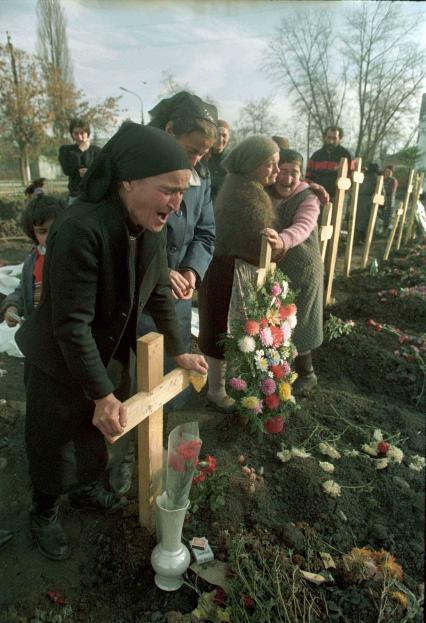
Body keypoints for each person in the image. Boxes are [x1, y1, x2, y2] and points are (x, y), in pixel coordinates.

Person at [15, 122, 207, 561]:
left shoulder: (149, 226)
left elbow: (158, 291)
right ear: (128, 181)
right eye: (169, 191)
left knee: (92, 440)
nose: (177, 205)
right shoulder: (79, 229)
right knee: (53, 443)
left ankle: (84, 492)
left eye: (182, 191)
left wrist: (180, 349)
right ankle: (43, 512)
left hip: (106, 352)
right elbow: (71, 324)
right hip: (60, 361)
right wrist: (100, 392)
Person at [198, 135, 280, 413]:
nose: (276, 172)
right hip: (227, 272)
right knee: (222, 328)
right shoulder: (246, 196)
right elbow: (256, 246)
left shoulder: (247, 187)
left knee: (226, 329)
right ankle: (216, 390)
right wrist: (276, 249)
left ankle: (225, 385)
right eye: (271, 164)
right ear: (253, 164)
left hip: (231, 269)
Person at [262, 149, 323, 395]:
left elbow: (303, 225)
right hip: (276, 270)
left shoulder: (309, 197)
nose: (287, 179)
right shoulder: (265, 192)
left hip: (304, 267)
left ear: (302, 175)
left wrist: (282, 240)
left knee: (302, 323)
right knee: (276, 323)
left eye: (294, 173)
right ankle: (278, 375)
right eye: (283, 172)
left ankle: (307, 376)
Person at [1, 194, 65, 326]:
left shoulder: (74, 258)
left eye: (55, 229)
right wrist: (13, 306)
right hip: (38, 330)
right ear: (33, 233)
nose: (49, 237)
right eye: (42, 231)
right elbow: (23, 290)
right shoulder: (33, 259)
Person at [305, 126, 354, 205]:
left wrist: (343, 193)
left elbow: (351, 178)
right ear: (325, 137)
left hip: (339, 197)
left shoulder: (346, 155)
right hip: (317, 197)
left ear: (339, 138)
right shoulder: (316, 156)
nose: (331, 141)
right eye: (329, 138)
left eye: (334, 138)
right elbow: (308, 178)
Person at [58, 118, 101, 205]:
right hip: (75, 195)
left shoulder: (97, 151)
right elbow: (67, 170)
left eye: (82, 133)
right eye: (76, 133)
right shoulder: (66, 150)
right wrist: (80, 150)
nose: (79, 137)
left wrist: (89, 173)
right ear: (72, 134)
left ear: (87, 133)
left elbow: (103, 171)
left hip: (94, 196)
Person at [356, 163, 379, 243]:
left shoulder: (363, 177)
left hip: (359, 199)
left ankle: (358, 237)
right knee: (368, 220)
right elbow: (380, 191)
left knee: (359, 219)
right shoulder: (376, 179)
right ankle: (363, 238)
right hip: (370, 200)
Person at [208, 119, 231, 200]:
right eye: (217, 135)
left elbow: (230, 183)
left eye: (224, 135)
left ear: (228, 138)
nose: (220, 139)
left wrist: (205, 179)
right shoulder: (201, 156)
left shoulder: (231, 160)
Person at [383, 165, 398, 230]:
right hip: (382, 199)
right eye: (386, 171)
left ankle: (386, 228)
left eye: (389, 172)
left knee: (388, 215)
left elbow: (392, 191)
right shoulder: (383, 179)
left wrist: (384, 192)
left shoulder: (393, 180)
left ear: (392, 172)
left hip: (390, 200)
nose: (387, 173)